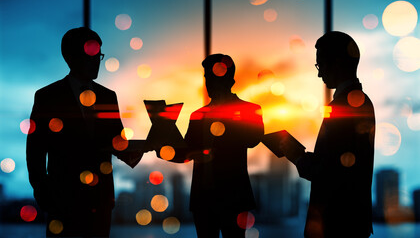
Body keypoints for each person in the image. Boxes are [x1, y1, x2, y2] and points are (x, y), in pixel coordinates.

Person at [26, 27, 146, 237]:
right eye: (90, 53)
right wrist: (42, 191)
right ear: (70, 56)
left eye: (98, 54)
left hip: (100, 200)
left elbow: (116, 140)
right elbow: (35, 149)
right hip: (62, 199)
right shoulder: (48, 97)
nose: (96, 60)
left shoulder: (108, 96)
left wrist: (144, 146)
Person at [156, 54, 264, 238]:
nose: (211, 82)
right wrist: (161, 148)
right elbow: (187, 153)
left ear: (231, 80)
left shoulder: (250, 110)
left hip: (232, 197)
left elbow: (253, 138)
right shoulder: (198, 115)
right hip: (205, 198)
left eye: (216, 75)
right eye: (208, 77)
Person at [285, 31, 375, 238]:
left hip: (336, 220)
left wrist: (297, 157)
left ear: (336, 63)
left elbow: (331, 170)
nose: (319, 74)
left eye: (321, 65)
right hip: (351, 219)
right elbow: (340, 162)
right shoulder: (361, 102)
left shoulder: (343, 107)